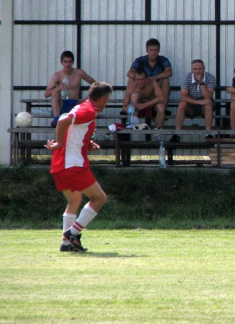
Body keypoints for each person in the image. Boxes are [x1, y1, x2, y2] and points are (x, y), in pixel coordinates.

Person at [44, 81, 113, 252]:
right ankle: (73, 234)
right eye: (108, 99)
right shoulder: (88, 110)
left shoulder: (84, 106)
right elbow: (63, 120)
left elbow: (73, 128)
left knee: (74, 201)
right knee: (99, 198)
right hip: (72, 164)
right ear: (103, 98)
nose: (107, 102)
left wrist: (87, 142)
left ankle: (66, 244)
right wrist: (59, 142)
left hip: (60, 163)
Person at [44, 51, 96, 128]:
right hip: (62, 103)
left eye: (69, 62)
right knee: (54, 93)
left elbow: (95, 84)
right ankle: (56, 120)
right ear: (61, 62)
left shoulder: (79, 73)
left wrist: (86, 99)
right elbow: (46, 94)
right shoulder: (57, 75)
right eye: (65, 62)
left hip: (75, 103)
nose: (67, 64)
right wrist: (58, 88)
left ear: (72, 62)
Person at [172, 59, 216, 142]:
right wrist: (198, 102)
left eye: (200, 69)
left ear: (204, 69)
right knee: (182, 104)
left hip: (204, 105)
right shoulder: (187, 77)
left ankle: (208, 133)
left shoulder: (210, 77)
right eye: (195, 69)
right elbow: (183, 97)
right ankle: (177, 133)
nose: (197, 71)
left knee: (208, 104)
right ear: (191, 69)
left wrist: (201, 82)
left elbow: (208, 97)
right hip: (191, 104)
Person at [126, 38, 172, 114]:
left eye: (155, 50)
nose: (153, 52)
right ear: (147, 50)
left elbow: (169, 72)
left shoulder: (163, 60)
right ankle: (129, 106)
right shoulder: (140, 60)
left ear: (159, 50)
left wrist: (154, 78)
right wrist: (143, 79)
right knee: (130, 79)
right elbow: (129, 73)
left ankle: (163, 107)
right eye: (151, 50)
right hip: (142, 89)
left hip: (155, 91)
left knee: (165, 79)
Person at [122, 68, 165, 140]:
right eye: (138, 80)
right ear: (134, 79)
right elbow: (124, 107)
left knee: (161, 107)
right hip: (137, 108)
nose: (140, 82)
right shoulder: (132, 87)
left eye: (142, 79)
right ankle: (133, 122)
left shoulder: (152, 82)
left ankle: (158, 131)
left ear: (146, 78)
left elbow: (161, 98)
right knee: (135, 95)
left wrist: (145, 105)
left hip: (151, 106)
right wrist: (130, 109)